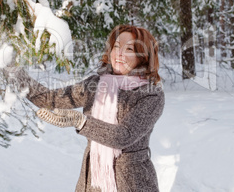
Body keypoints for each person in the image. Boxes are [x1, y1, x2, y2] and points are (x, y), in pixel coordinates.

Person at [14, 24, 165, 192]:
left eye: (129, 48)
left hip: (132, 182)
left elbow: (124, 135)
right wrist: (14, 72)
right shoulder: (95, 85)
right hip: (92, 180)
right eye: (116, 46)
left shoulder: (150, 95)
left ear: (143, 56)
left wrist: (81, 122)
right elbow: (50, 98)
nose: (119, 53)